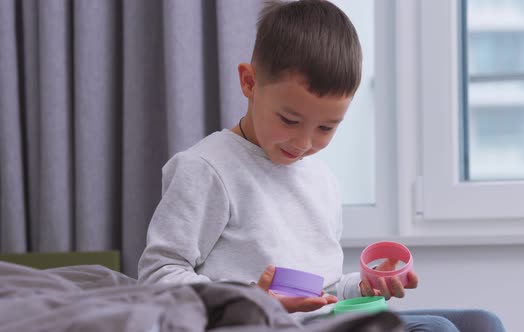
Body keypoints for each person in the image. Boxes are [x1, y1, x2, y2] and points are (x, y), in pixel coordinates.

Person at [138, 1, 505, 331]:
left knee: (482, 324)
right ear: (250, 83)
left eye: (326, 127)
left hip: (319, 322)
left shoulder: (320, 180)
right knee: (437, 329)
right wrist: (251, 298)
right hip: (259, 324)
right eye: (289, 119)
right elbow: (158, 276)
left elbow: (324, 290)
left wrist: (363, 286)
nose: (303, 143)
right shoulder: (205, 169)